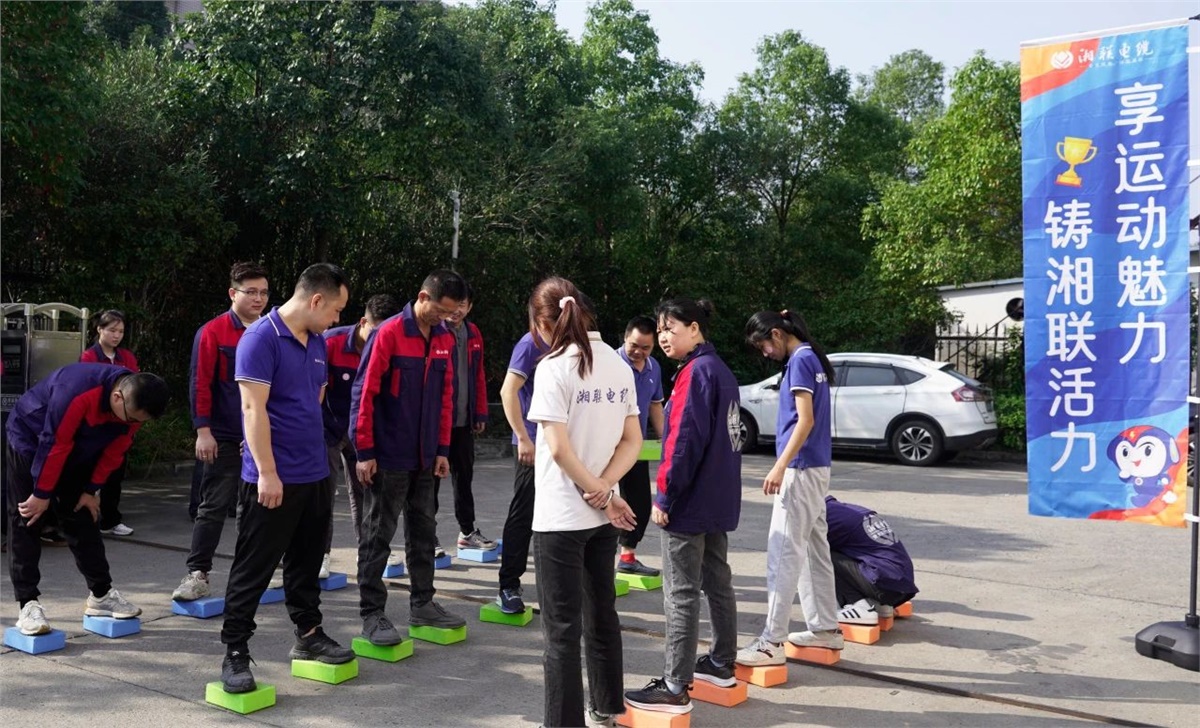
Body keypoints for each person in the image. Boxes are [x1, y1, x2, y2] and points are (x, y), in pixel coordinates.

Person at [218, 262, 354, 693]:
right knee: (253, 567)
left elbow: (313, 399)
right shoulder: (260, 338)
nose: (337, 319)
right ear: (316, 300)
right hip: (273, 479)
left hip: (314, 472)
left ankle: (309, 634)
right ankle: (235, 651)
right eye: (335, 310)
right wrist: (268, 472)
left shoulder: (317, 342)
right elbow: (252, 409)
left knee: (306, 562)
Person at [525, 277, 640, 728]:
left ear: (542, 323)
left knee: (561, 631)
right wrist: (607, 491)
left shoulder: (553, 368)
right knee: (602, 613)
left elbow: (558, 449)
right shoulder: (618, 364)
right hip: (602, 517)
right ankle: (607, 708)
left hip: (560, 517)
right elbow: (632, 441)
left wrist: (599, 491)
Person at [624, 299, 742, 715]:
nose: (663, 337)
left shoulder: (695, 373)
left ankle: (675, 684)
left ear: (694, 328)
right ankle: (722, 662)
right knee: (717, 580)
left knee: (681, 592)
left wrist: (665, 495)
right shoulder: (720, 370)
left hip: (689, 502)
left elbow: (683, 443)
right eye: (660, 330)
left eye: (670, 328)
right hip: (717, 497)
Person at [350, 269, 468, 647]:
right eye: (441, 310)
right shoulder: (389, 334)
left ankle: (423, 603)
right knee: (377, 535)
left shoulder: (444, 338)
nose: (446, 318)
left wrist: (442, 449)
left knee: (424, 531)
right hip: (388, 455)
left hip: (426, 457)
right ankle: (372, 614)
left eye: (452, 313)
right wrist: (364, 452)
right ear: (422, 297)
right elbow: (364, 393)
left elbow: (446, 397)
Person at [6, 365, 168, 635]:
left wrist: (91, 489)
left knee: (83, 515)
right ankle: (28, 604)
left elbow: (116, 451)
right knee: (28, 517)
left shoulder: (132, 409)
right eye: (131, 419)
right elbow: (55, 443)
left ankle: (101, 594)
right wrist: (42, 494)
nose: (133, 424)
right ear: (118, 397)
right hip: (32, 438)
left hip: (75, 448)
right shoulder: (76, 391)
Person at [736, 310, 843, 668]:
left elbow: (805, 420)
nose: (765, 352)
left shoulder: (799, 361)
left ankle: (771, 642)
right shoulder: (811, 357)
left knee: (782, 553)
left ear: (778, 334)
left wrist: (780, 466)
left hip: (800, 469)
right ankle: (825, 628)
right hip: (816, 467)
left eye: (764, 345)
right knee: (814, 549)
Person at [173, 262, 270, 602]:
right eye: (251, 292)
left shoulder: (271, 332)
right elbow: (200, 383)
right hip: (224, 434)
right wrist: (203, 430)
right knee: (213, 506)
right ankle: (197, 573)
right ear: (233, 293)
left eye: (263, 292)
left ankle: (250, 574)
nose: (258, 298)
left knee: (256, 507)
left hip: (260, 435)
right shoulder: (213, 332)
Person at [322, 294, 402, 577]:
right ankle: (321, 554)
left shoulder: (391, 346)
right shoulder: (330, 342)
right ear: (362, 322)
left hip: (363, 431)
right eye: (375, 332)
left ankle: (368, 551)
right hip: (328, 428)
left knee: (366, 491)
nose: (380, 339)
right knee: (324, 493)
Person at [435, 284, 495, 555]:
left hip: (463, 421)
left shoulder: (473, 333)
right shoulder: (435, 330)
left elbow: (478, 374)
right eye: (454, 304)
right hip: (437, 422)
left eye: (463, 305)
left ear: (469, 307)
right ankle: (428, 536)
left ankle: (467, 532)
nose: (457, 310)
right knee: (430, 482)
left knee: (464, 479)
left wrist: (479, 412)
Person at [495, 326, 547, 614]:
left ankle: (556, 585)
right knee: (524, 512)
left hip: (562, 442)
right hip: (533, 442)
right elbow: (508, 391)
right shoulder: (530, 344)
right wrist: (523, 438)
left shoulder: (571, 342)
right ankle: (508, 585)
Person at [77, 309, 140, 537]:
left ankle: (111, 519)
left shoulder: (127, 357)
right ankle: (85, 518)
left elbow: (136, 386)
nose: (116, 335)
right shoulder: (88, 356)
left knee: (115, 472)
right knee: (89, 471)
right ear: (99, 329)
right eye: (112, 330)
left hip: (121, 421)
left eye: (120, 331)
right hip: (96, 422)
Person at [615, 316, 665, 577]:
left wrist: (666, 439)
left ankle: (627, 557)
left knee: (640, 504)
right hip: (607, 448)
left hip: (636, 447)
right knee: (605, 502)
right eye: (634, 345)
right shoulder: (610, 364)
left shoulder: (654, 367)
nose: (639, 352)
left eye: (645, 348)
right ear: (625, 338)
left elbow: (656, 405)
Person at [825, 495, 918, 625]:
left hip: (882, 583)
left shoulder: (824, 517)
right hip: (900, 586)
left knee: (818, 554)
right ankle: (881, 605)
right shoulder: (845, 510)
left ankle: (858, 605)